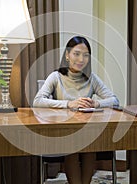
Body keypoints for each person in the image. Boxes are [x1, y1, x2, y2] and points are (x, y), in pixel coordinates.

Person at [33, 36, 119, 184]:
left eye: (86, 55)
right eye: (76, 54)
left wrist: (96, 103)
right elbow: (37, 101)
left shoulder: (91, 78)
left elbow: (115, 101)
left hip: (87, 131)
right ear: (67, 55)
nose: (81, 59)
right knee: (72, 145)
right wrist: (68, 104)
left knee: (88, 144)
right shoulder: (56, 77)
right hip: (63, 132)